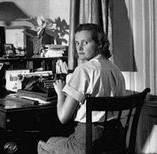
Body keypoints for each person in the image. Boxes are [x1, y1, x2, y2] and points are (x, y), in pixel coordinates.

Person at [37, 23, 126, 154]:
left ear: (100, 44)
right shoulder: (116, 70)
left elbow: (63, 118)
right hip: (114, 138)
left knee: (45, 144)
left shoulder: (83, 70)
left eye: (85, 42)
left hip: (89, 140)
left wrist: (61, 93)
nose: (79, 47)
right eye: (77, 43)